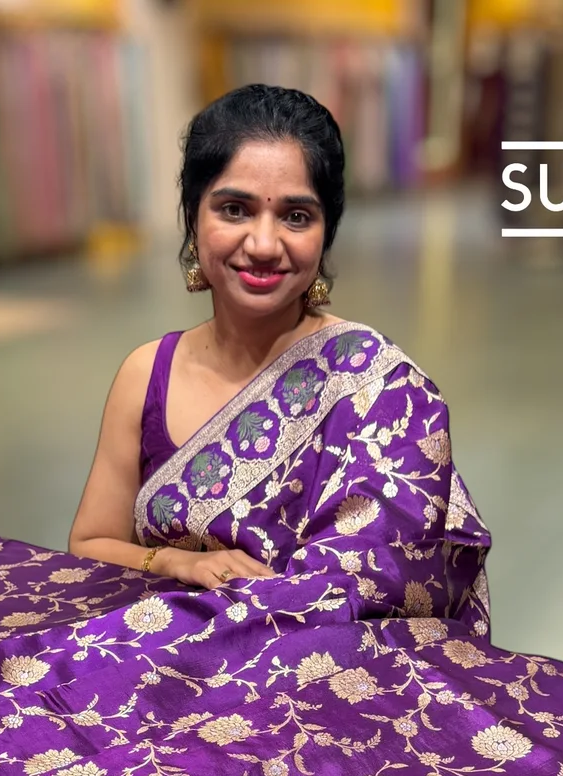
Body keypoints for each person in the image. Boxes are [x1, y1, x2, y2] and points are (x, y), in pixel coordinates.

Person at [67, 84, 489, 602]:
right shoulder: (146, 372)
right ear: (193, 219)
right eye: (234, 209)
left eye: (295, 216)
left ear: (326, 231)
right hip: (159, 655)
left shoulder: (378, 387)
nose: (264, 245)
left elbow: (392, 583)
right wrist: (177, 562)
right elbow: (91, 544)